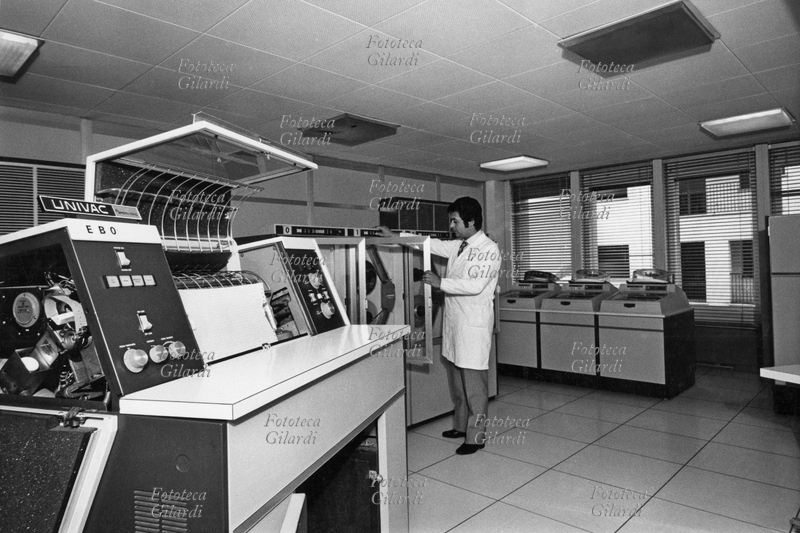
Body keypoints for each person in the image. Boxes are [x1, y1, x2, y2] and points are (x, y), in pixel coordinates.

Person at [379, 197, 501, 455]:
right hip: (455, 324)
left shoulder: (488, 248)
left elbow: (475, 285)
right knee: (457, 381)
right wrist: (397, 235)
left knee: (475, 387)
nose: (452, 226)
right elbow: (430, 244)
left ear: (470, 221)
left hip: (472, 327)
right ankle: (460, 425)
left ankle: (476, 437)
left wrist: (439, 282)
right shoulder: (460, 246)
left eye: (455, 221)